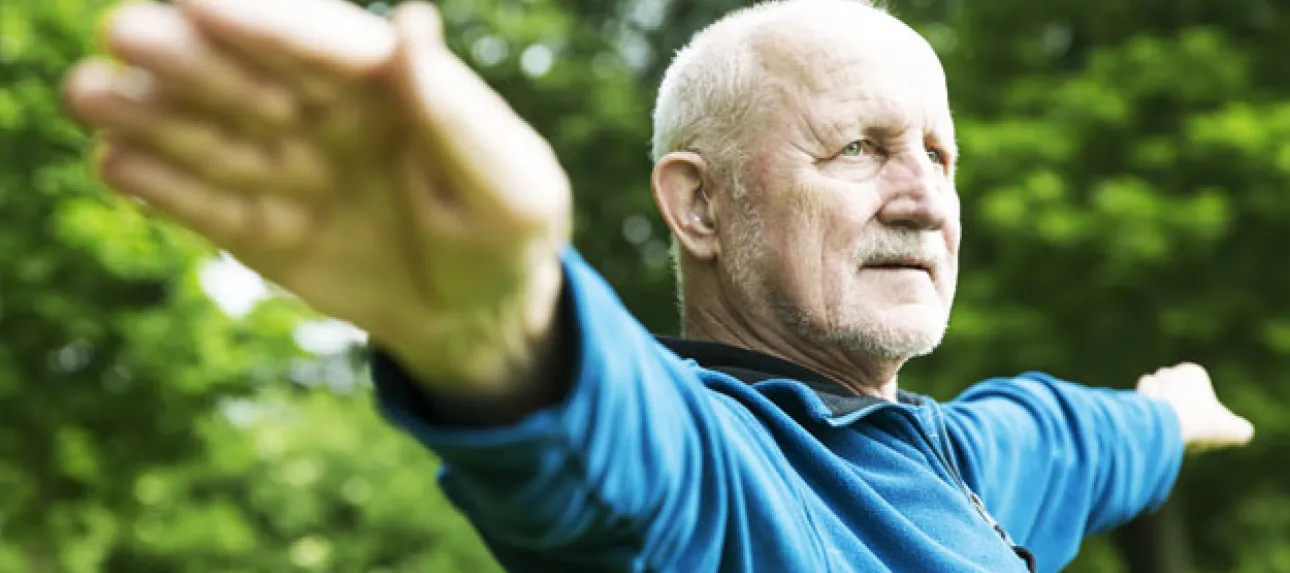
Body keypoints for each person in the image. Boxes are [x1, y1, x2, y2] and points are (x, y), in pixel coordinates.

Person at [62, 0, 1255, 571]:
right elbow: (614, 458)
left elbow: (1086, 436)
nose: (925, 198)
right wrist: (499, 324)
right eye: (862, 150)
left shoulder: (980, 463)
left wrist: (1174, 416)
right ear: (698, 205)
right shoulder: (720, 481)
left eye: (942, 158)